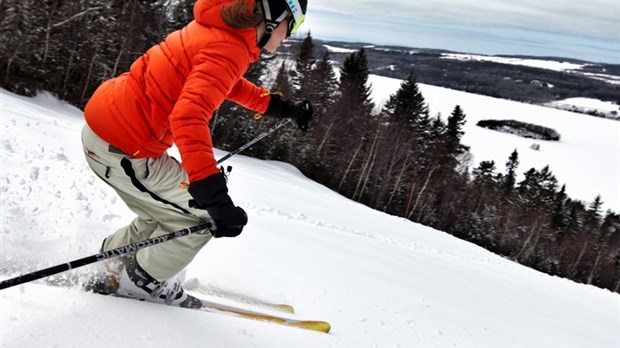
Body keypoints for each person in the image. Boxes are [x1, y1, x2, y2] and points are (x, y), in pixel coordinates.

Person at [80, 0, 312, 308]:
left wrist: (281, 108)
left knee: (167, 211)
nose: (289, 35)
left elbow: (224, 83)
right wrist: (213, 195)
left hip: (113, 131)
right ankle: (141, 281)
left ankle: (113, 262)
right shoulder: (228, 48)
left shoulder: (219, 31)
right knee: (203, 217)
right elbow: (188, 117)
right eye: (292, 24)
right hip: (124, 147)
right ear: (273, 16)